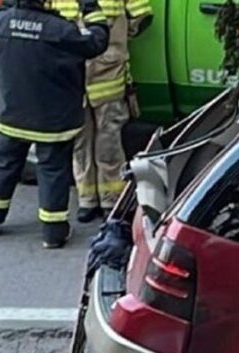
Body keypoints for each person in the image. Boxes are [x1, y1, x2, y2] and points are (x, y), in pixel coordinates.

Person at [0, 0, 109, 249]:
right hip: (53, 121)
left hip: (12, 116)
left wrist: (7, 9)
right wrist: (91, 8)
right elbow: (97, 41)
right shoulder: (61, 30)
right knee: (53, 172)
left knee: (3, 165)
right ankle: (53, 234)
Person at [49, 0, 152, 223]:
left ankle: (112, 200)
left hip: (106, 77)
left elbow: (142, 14)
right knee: (80, 143)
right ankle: (87, 200)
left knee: (109, 142)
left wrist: (120, 38)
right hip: (72, 78)